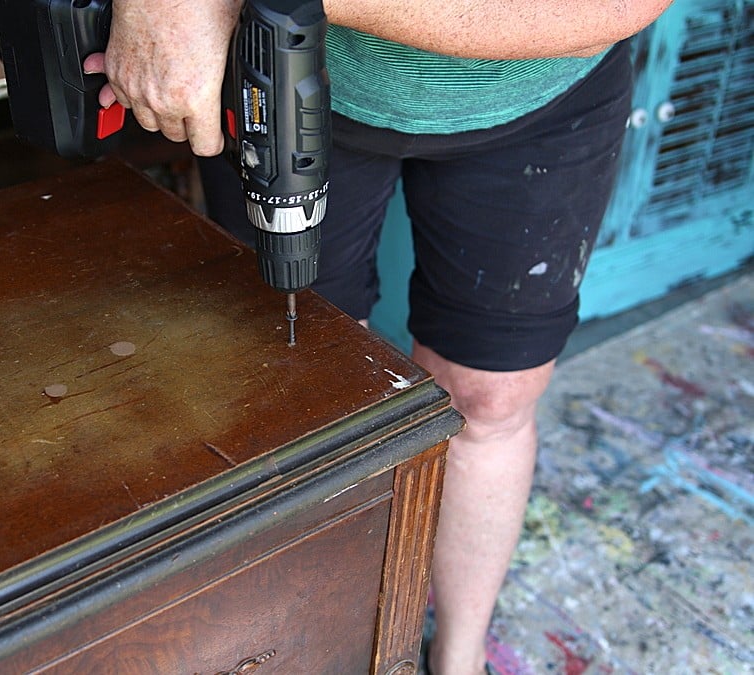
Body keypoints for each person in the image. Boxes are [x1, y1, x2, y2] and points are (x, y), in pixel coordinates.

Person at [84, 2, 673, 672]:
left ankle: (459, 656)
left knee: (491, 399)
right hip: (288, 70)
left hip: (544, 95)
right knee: (308, 400)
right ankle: (330, 651)